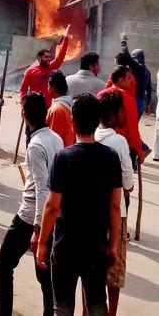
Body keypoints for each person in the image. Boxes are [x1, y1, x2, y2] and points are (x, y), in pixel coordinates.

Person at [36, 93, 122, 316]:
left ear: (72, 121)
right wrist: (112, 244)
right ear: (97, 121)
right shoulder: (110, 157)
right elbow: (115, 207)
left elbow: (52, 206)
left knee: (62, 307)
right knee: (96, 305)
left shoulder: (63, 158)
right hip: (96, 246)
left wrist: (43, 242)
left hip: (66, 246)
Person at [0, 92, 62, 316]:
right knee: (45, 275)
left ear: (25, 115)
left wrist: (37, 230)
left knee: (4, 265)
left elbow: (44, 190)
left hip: (31, 218)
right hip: (50, 217)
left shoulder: (36, 145)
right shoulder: (55, 138)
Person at [95, 91, 135, 316]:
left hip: (91, 214)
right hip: (115, 216)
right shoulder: (119, 142)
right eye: (121, 111)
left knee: (91, 270)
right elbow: (128, 183)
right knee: (114, 272)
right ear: (112, 115)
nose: (124, 114)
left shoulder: (90, 136)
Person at [98, 65, 144, 163]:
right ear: (120, 80)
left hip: (100, 141)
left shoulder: (100, 95)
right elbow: (133, 130)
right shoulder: (129, 100)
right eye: (128, 78)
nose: (131, 81)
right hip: (123, 146)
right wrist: (140, 152)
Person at [19, 25, 70, 106]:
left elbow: (61, 55)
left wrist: (65, 38)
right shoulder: (30, 71)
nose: (49, 59)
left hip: (47, 106)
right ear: (39, 58)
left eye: (50, 57)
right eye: (46, 57)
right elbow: (23, 89)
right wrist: (23, 103)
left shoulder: (51, 66)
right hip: (33, 106)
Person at [46, 70, 75, 148]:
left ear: (53, 88)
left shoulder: (57, 109)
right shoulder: (70, 105)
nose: (47, 88)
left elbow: (54, 140)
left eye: (48, 86)